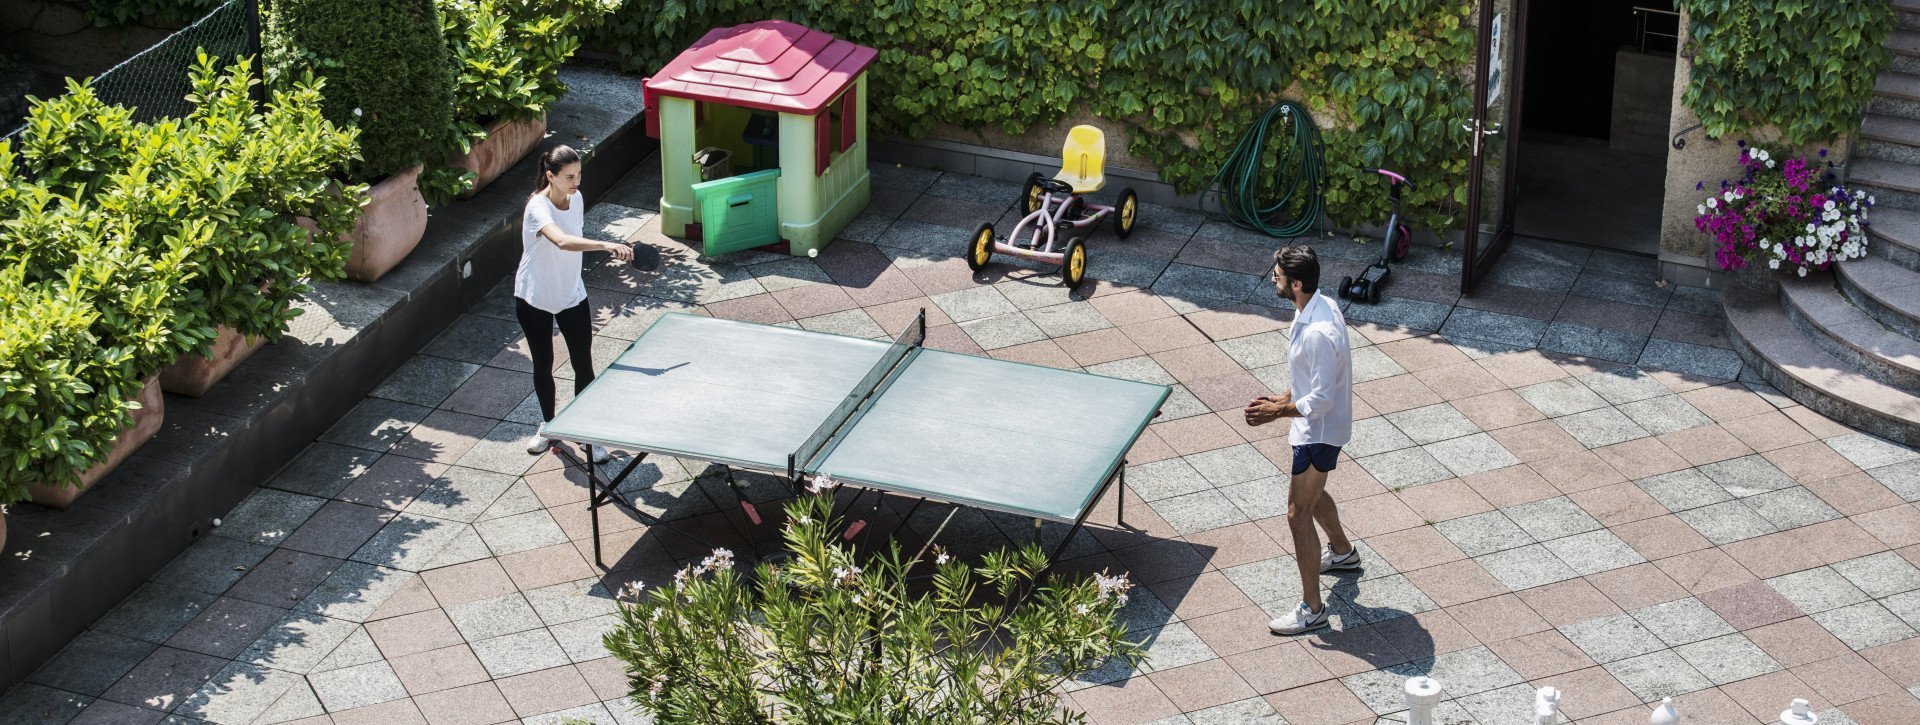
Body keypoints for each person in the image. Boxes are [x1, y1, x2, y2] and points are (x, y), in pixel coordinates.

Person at [1245, 245, 1356, 635]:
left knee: (1297, 513)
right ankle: (1342, 553)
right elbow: (1312, 381)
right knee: (1311, 495)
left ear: (1296, 283)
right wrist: (1282, 398)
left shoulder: (1318, 334)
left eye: (1277, 275)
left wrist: (1276, 412)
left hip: (1319, 434)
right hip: (1316, 428)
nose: (1272, 279)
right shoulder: (1318, 306)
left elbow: (1322, 400)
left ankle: (1313, 609)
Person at [517, 145, 633, 461]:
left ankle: (584, 433)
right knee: (543, 363)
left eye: (579, 174)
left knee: (583, 363)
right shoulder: (536, 208)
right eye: (569, 177)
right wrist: (606, 244)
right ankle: (549, 426)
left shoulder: (576, 199)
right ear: (550, 176)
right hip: (535, 296)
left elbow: (573, 238)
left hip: (571, 294)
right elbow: (563, 241)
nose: (576, 182)